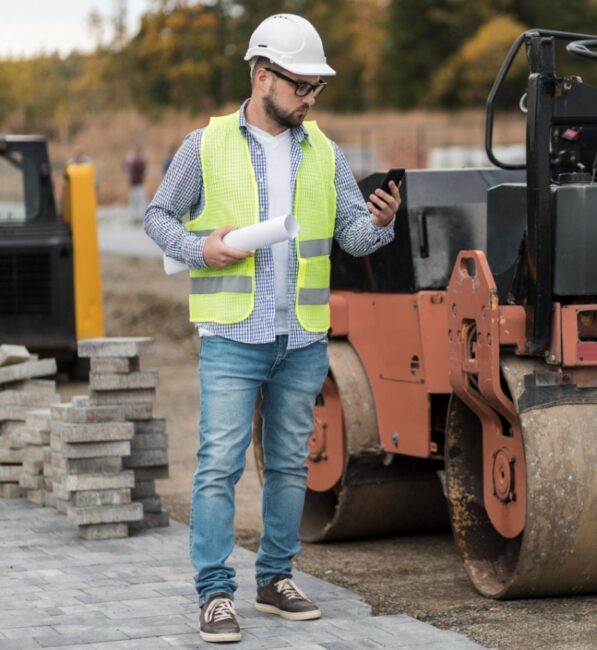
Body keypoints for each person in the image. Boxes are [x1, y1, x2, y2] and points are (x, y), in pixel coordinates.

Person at [143, 13, 401, 644]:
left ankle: (275, 577)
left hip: (302, 338)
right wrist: (205, 249)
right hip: (232, 335)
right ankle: (214, 594)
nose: (311, 99)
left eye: (317, 88)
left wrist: (383, 221)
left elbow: (352, 238)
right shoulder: (204, 146)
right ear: (263, 77)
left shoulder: (326, 153)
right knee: (218, 467)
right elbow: (157, 216)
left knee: (289, 465)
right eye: (301, 86)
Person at [123, 144, 147, 222]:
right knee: (135, 201)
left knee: (140, 200)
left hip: (138, 183)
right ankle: (134, 216)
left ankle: (139, 216)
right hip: (135, 184)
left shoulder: (134, 160)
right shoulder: (134, 160)